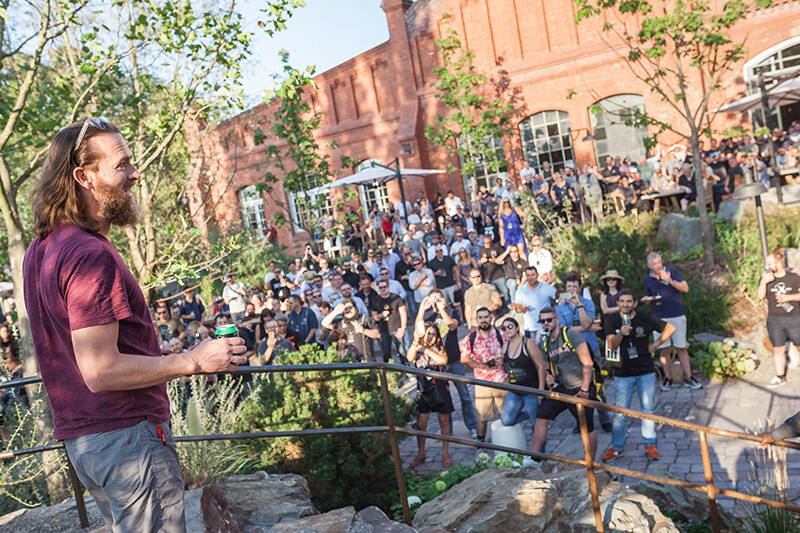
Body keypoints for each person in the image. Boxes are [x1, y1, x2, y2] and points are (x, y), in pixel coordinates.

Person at [23, 119, 248, 532]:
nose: (135, 173)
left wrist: (182, 353)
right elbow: (101, 370)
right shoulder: (90, 255)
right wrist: (192, 362)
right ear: (84, 177)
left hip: (90, 442)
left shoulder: (44, 247)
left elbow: (87, 353)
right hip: (126, 441)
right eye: (123, 164)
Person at [602, 289, 676, 463]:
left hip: (645, 371)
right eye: (622, 301)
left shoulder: (645, 318)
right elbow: (611, 346)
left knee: (647, 410)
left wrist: (655, 345)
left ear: (635, 303)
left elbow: (670, 328)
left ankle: (650, 445)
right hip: (623, 373)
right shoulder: (612, 320)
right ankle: (617, 448)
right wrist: (621, 333)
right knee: (620, 413)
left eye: (629, 301)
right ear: (618, 303)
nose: (625, 304)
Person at [532, 307, 598, 459]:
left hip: (582, 385)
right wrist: (550, 377)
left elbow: (588, 363)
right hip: (564, 386)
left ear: (556, 320)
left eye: (549, 320)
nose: (546, 323)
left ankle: (590, 462)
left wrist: (585, 390)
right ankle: (534, 457)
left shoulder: (570, 334)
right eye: (543, 321)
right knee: (542, 414)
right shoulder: (546, 342)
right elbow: (551, 368)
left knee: (586, 426)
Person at [416, 290, 478, 438]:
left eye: (439, 298)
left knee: (464, 395)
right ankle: (448, 430)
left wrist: (442, 309)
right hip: (436, 363)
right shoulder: (427, 315)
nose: (436, 301)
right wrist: (422, 309)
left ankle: (472, 426)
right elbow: (419, 329)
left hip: (454, 360)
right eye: (433, 298)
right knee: (444, 397)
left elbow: (452, 326)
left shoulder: (451, 312)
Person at [642, 252, 702, 390]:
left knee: (681, 347)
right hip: (658, 317)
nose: (658, 266)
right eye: (655, 264)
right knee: (664, 349)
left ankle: (689, 377)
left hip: (676, 315)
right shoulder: (647, 279)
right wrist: (647, 299)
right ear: (649, 265)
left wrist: (670, 281)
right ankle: (667, 378)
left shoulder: (672, 272)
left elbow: (685, 288)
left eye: (659, 262)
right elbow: (648, 295)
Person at [408, 323, 454, 468]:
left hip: (440, 387)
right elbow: (410, 358)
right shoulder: (417, 346)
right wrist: (416, 342)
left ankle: (445, 452)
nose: (430, 337)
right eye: (428, 333)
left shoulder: (439, 348)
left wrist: (426, 351)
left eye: (433, 334)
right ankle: (421, 452)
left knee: (444, 422)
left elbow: (443, 360)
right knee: (421, 424)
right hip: (423, 388)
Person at [460, 307, 508, 445]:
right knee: (482, 416)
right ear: (476, 320)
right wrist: (477, 365)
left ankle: (508, 443)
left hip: (501, 379)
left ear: (491, 318)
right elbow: (464, 358)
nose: (483, 320)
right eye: (480, 318)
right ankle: (480, 446)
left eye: (486, 317)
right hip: (482, 382)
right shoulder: (470, 338)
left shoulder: (500, 334)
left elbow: (509, 351)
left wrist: (504, 359)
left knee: (506, 414)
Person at [756, 251, 800, 387]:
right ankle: (780, 376)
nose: (767, 266)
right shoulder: (767, 278)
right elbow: (759, 296)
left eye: (770, 263)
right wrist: (763, 281)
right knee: (778, 349)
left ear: (779, 263)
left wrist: (789, 297)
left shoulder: (793, 277)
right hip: (774, 319)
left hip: (794, 318)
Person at [499, 317, 546, 442]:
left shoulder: (528, 343)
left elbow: (540, 366)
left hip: (531, 390)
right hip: (514, 390)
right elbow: (506, 371)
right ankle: (528, 416)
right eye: (504, 328)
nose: (507, 330)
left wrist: (541, 391)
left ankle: (539, 456)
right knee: (506, 420)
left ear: (517, 328)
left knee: (537, 426)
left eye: (510, 326)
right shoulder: (505, 347)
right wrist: (501, 364)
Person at [511, 266, 557, 340]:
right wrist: (522, 309)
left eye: (533, 275)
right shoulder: (521, 290)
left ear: (537, 275)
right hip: (530, 328)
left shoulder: (547, 287)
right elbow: (517, 310)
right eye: (528, 275)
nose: (531, 277)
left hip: (545, 327)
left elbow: (559, 297)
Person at [370, 279, 408, 364]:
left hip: (396, 329)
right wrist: (381, 315)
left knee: (402, 353)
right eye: (381, 287)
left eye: (384, 287)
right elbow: (374, 317)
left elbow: (403, 313)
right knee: (386, 355)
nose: (383, 289)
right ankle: (388, 374)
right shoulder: (376, 300)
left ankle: (408, 373)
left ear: (388, 287)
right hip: (384, 331)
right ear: (378, 288)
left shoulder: (396, 297)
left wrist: (403, 328)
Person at [478, 234, 510, 308]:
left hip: (499, 274)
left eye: (490, 242)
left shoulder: (496, 247)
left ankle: (509, 306)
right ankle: (498, 310)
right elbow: (479, 262)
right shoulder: (481, 250)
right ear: (484, 241)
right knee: (493, 295)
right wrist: (482, 260)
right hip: (489, 276)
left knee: (505, 291)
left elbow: (504, 258)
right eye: (487, 242)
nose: (489, 244)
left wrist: (496, 260)